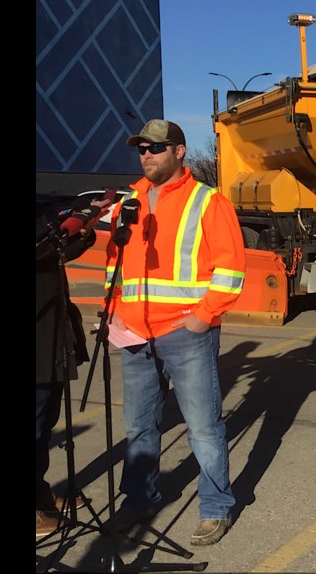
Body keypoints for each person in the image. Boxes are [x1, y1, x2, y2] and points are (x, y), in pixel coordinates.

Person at [104, 119, 246, 546]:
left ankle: (215, 507)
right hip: (134, 332)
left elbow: (231, 267)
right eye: (141, 148)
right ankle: (140, 501)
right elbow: (116, 263)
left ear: (179, 151)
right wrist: (115, 312)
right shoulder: (127, 203)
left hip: (186, 332)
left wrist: (203, 315)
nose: (146, 155)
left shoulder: (207, 201)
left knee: (203, 426)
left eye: (156, 148)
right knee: (141, 426)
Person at [36, 196, 110, 538]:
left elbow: (58, 251)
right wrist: (71, 225)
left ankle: (40, 496)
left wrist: (87, 227)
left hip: (51, 334)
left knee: (44, 423)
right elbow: (44, 247)